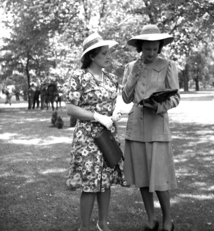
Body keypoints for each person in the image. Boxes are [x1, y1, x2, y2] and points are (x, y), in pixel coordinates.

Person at [64, 32, 126, 231]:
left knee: (105, 181)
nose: (109, 57)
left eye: (109, 53)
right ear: (92, 56)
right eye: (104, 53)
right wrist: (97, 116)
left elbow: (117, 102)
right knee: (90, 182)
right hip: (88, 137)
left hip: (107, 135)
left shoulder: (110, 79)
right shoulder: (79, 77)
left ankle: (103, 224)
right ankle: (84, 227)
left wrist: (116, 113)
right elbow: (71, 108)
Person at [122, 24, 180, 231]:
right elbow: (126, 98)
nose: (151, 53)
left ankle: (167, 219)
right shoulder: (130, 67)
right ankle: (151, 219)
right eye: (147, 49)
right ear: (140, 47)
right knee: (143, 178)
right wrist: (134, 76)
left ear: (160, 47)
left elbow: (175, 98)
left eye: (155, 49)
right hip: (136, 128)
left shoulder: (168, 65)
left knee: (160, 178)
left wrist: (158, 105)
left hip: (157, 127)